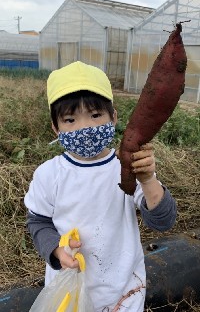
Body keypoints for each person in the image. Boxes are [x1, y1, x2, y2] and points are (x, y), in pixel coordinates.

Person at [24, 61, 176, 312]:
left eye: (95, 116)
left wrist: (148, 180)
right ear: (55, 127)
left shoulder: (126, 166)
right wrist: (56, 249)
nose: (84, 128)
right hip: (70, 289)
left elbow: (163, 221)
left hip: (124, 291)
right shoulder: (50, 174)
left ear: (113, 117)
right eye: (70, 120)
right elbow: (38, 221)